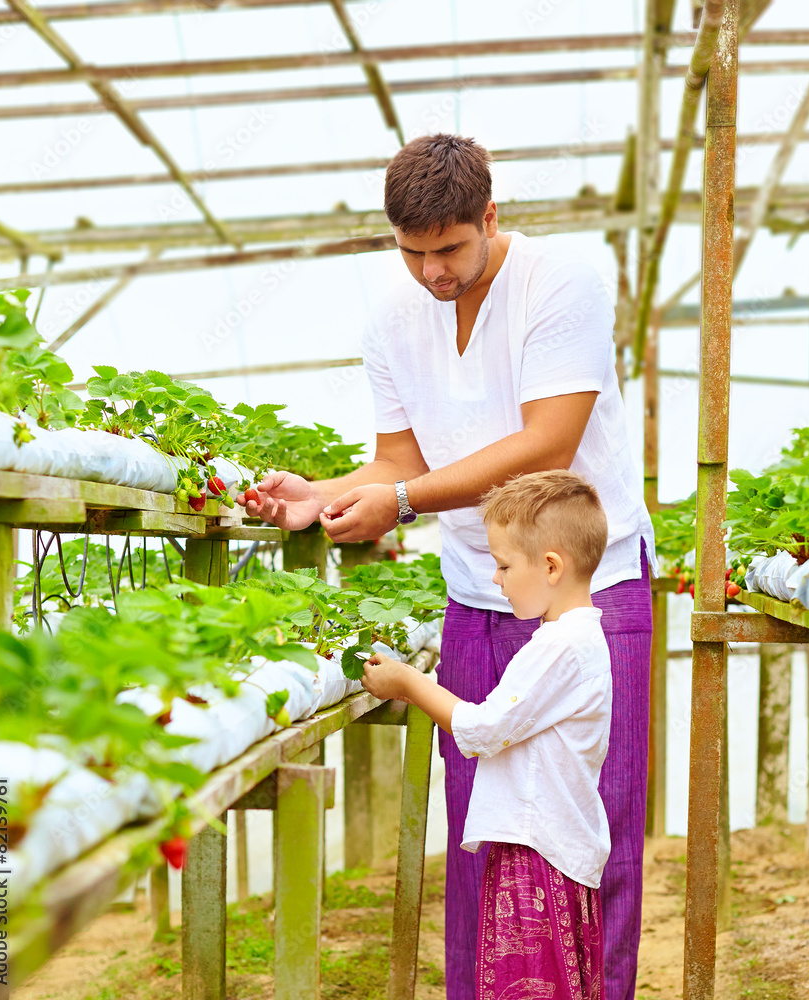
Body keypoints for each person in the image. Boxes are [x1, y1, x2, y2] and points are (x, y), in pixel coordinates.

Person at [239, 133, 655, 1000]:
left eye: (450, 250)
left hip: (590, 582)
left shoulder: (562, 282)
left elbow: (549, 442)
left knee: (595, 826)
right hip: (481, 586)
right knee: (483, 829)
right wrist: (322, 493)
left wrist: (407, 503)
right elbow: (399, 459)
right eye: (413, 252)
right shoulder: (392, 318)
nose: (432, 272)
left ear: (490, 217)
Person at [360, 470, 612, 999]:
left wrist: (409, 684)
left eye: (502, 565)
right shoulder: (578, 638)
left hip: (538, 847)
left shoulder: (558, 648)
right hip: (549, 841)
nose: (495, 579)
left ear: (550, 566)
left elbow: (482, 728)